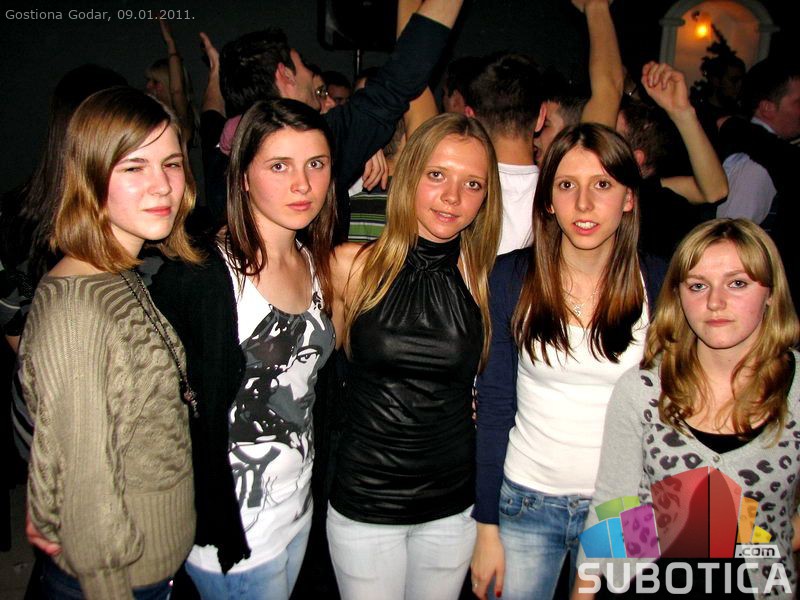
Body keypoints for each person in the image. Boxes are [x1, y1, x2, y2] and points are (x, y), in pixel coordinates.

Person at [149, 98, 337, 599]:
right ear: (244, 177)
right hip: (236, 533)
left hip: (298, 510)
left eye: (316, 164)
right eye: (279, 166)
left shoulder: (315, 262)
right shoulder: (204, 277)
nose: (303, 184)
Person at [19, 86, 199, 599]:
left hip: (153, 566)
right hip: (115, 582)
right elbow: (88, 499)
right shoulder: (78, 310)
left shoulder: (117, 274)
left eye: (171, 164)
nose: (162, 186)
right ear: (89, 177)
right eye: (134, 167)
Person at [471, 123, 665, 600]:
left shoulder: (659, 281)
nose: (583, 204)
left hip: (630, 506)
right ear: (547, 201)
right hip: (527, 498)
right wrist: (486, 527)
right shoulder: (511, 277)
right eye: (566, 185)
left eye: (602, 185)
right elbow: (495, 407)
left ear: (628, 198)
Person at [573, 219, 800, 598]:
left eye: (737, 283)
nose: (715, 302)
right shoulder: (643, 389)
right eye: (698, 285)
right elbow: (615, 506)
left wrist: (766, 537)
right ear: (678, 296)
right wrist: (584, 591)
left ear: (771, 293)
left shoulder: (797, 391)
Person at [327, 112, 502, 599]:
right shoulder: (350, 266)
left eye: (472, 184)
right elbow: (312, 377)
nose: (453, 197)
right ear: (409, 175)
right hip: (365, 503)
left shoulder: (487, 280)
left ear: (486, 198)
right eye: (437, 175)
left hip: (452, 509)